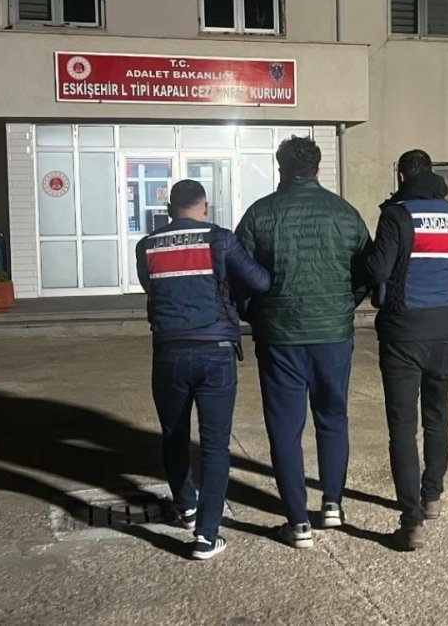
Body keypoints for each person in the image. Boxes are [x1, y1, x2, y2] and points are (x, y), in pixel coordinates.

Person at [236, 136, 370, 549]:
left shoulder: (260, 214)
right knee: (333, 417)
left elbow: (238, 273)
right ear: (317, 168)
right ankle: (332, 503)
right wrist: (345, 306)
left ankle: (297, 522)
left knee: (285, 428)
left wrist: (255, 313)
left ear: (280, 168)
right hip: (333, 334)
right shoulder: (345, 215)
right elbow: (367, 269)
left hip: (280, 338)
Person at [136, 179, 270, 560]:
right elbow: (259, 281)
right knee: (214, 445)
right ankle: (206, 536)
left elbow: (153, 287)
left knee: (173, 435)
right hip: (215, 353)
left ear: (169, 210)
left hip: (169, 353)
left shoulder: (146, 246)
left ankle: (185, 505)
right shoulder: (221, 240)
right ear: (205, 207)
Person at [360, 149, 448, 551]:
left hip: (405, 331)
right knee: (438, 418)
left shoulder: (397, 215)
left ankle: (411, 521)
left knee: (403, 429)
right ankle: (433, 496)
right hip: (445, 329)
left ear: (402, 173)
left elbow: (379, 270)